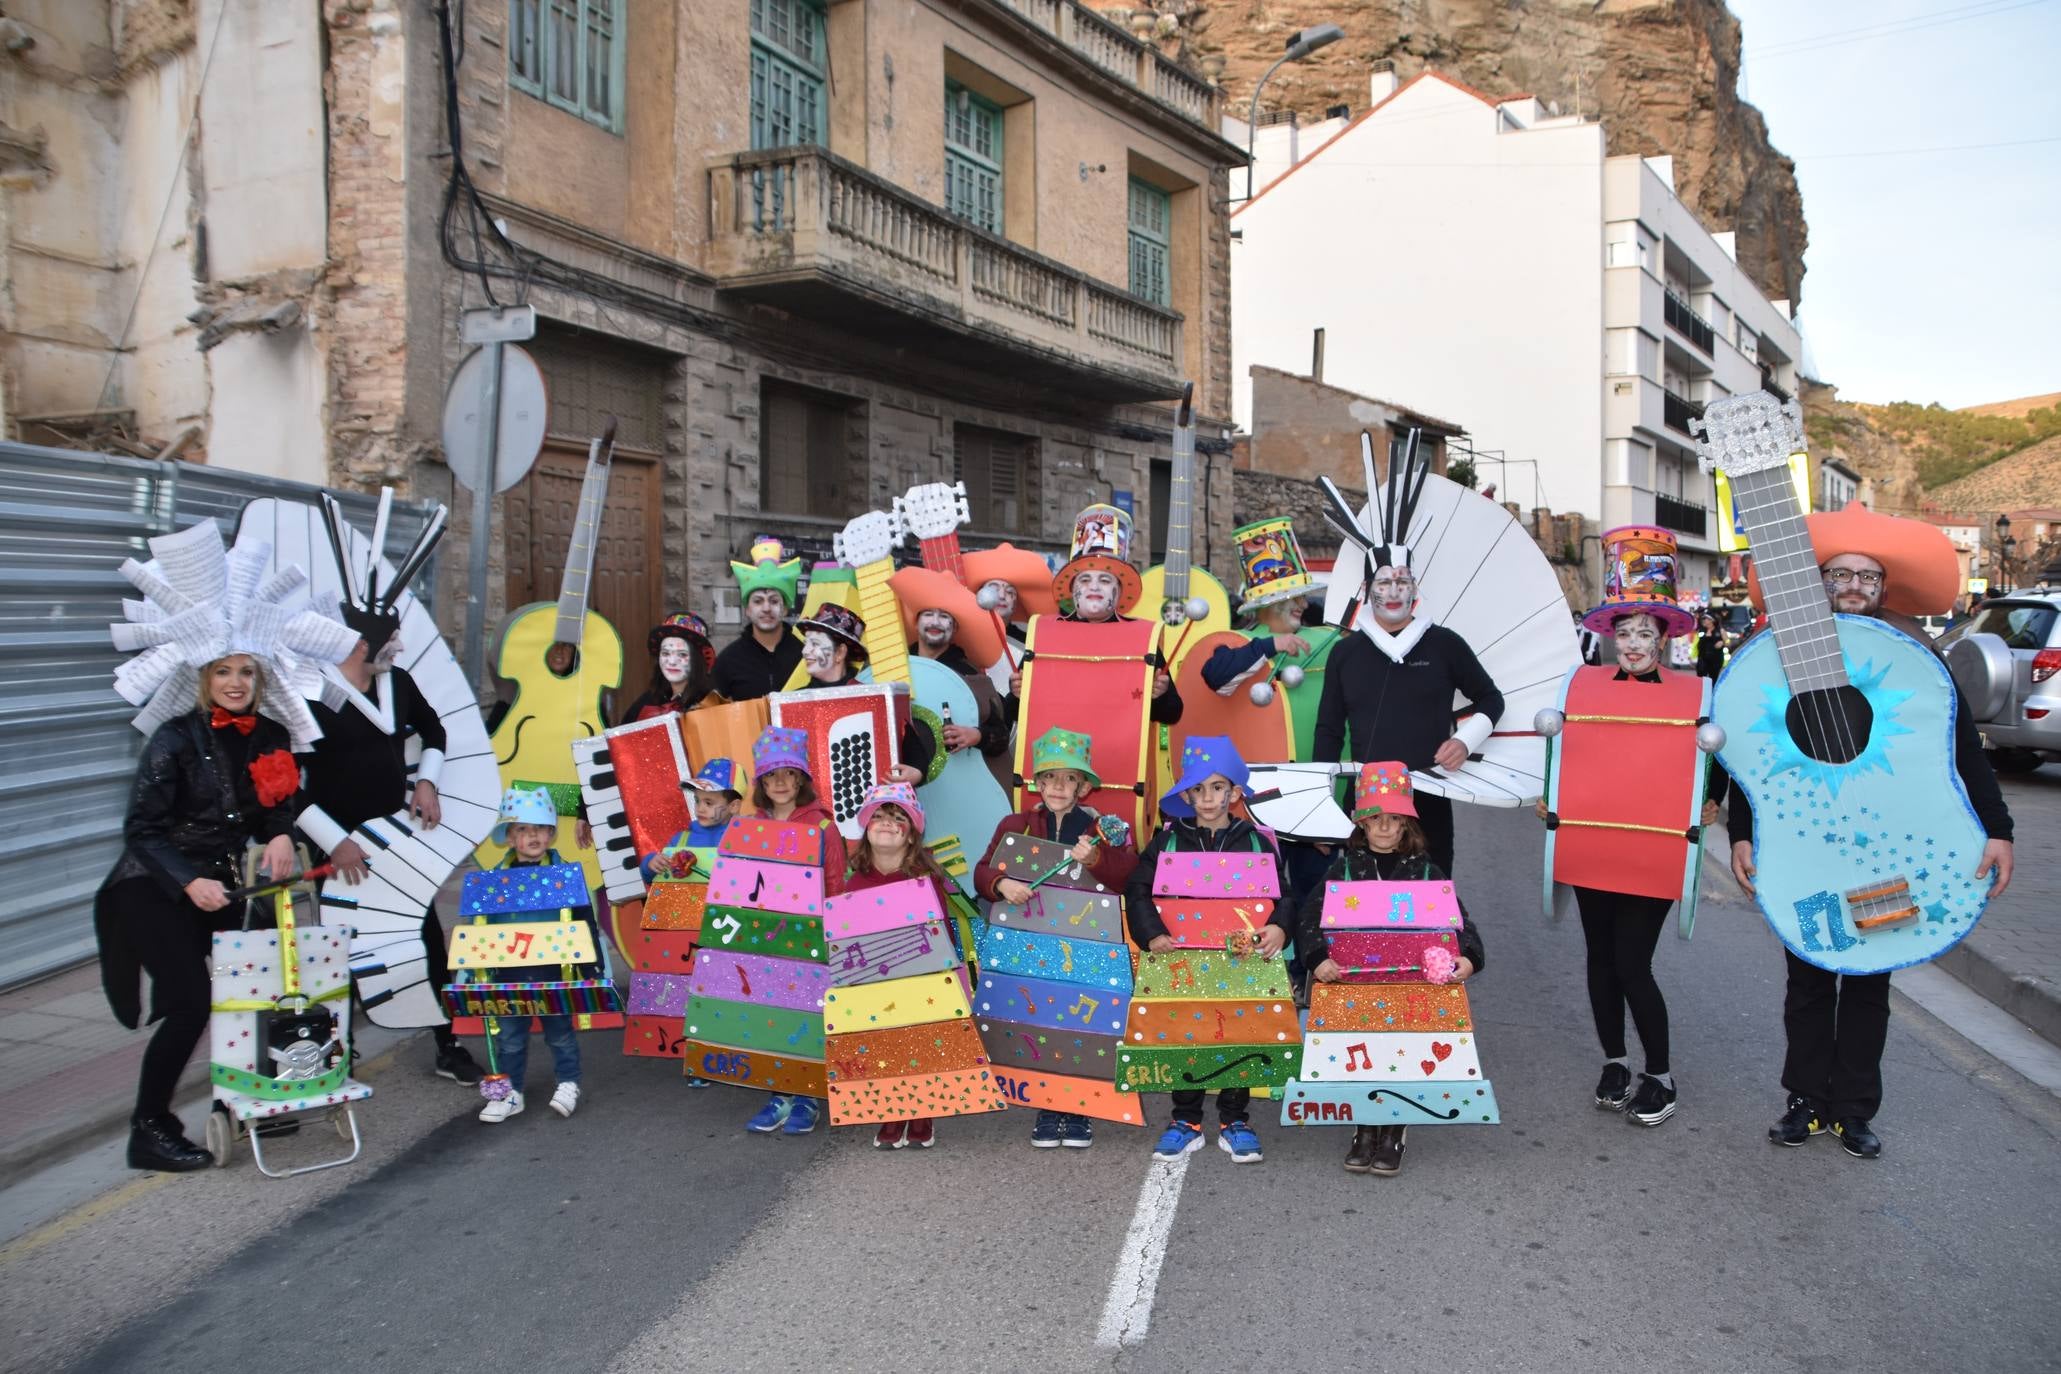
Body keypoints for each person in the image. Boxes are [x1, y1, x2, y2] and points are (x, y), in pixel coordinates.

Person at [1727, 505, 2015, 1160]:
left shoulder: (1917, 664)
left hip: (1885, 855)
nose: (1853, 585)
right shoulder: (1782, 662)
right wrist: (1740, 834)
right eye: (1839, 575)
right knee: (1806, 985)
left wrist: (1997, 830)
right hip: (1803, 851)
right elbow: (1750, 758)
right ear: (1819, 587)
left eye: (1866, 576)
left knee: (1867, 980)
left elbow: (1962, 753)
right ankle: (1802, 1102)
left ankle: (1853, 1110)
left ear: (1884, 590)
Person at [96, 518, 359, 1172]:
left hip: (222, 886)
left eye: (246, 670)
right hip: (151, 886)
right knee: (187, 1001)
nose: (236, 681)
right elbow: (142, 830)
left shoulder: (269, 735)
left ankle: (245, 1102)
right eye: (224, 671)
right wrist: (188, 881)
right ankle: (148, 1129)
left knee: (249, 992)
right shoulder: (174, 740)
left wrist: (276, 836)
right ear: (204, 676)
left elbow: (280, 804)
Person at [1536, 530, 1725, 1128]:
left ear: (1664, 639)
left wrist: (1712, 800)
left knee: (1631, 962)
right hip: (1594, 840)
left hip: (1653, 848)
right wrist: (1549, 800)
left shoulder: (1692, 696)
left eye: (1646, 632)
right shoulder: (1582, 689)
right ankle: (1615, 1061)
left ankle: (1660, 1074)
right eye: (1625, 632)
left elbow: (1716, 761)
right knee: (1599, 958)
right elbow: (1566, 758)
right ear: (1610, 638)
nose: (1634, 643)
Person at [295, 549, 484, 1087]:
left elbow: (437, 732)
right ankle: (338, 1056)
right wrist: (334, 844)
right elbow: (287, 786)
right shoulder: (311, 697)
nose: (399, 646)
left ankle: (447, 1045)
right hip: (338, 848)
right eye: (391, 638)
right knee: (341, 947)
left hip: (393, 839)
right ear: (360, 644)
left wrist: (425, 779)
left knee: (424, 937)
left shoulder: (396, 684)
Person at [1313, 457, 1503, 877]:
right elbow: (1327, 732)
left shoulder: (1444, 644)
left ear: (1415, 589)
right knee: (1361, 907)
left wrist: (1466, 740)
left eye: (1402, 582)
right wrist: (1323, 805)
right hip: (1366, 803)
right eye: (1384, 582)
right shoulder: (1345, 654)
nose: (1394, 591)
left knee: (1430, 904)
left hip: (1429, 799)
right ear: (1367, 591)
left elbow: (1491, 699)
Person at [1298, 762, 1483, 1176]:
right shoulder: (1342, 871)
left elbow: (1460, 922)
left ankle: (1394, 1129)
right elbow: (1309, 918)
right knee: (1364, 1056)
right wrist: (1316, 958)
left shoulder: (1425, 873)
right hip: (1356, 987)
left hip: (1408, 990)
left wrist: (1468, 958)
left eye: (1394, 820)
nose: (1384, 828)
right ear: (1361, 822)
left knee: (1402, 1054)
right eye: (1376, 818)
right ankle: (1364, 1129)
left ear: (1406, 825)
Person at [972, 727, 1140, 1149]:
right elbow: (981, 871)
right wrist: (1001, 883)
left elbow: (1128, 878)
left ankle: (1081, 1105)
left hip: (1088, 945)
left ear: (1084, 786)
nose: (1058, 787)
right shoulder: (1016, 824)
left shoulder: (1103, 828)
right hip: (1031, 943)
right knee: (1042, 1020)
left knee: (1082, 1020)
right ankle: (1050, 1103)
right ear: (1038, 783)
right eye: (1049, 777)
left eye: (1069, 778)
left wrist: (1098, 858)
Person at [1125, 735, 1286, 1165]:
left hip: (1242, 960)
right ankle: (1186, 1120)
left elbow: (1285, 895)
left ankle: (1235, 1120)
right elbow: (1137, 888)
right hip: (1183, 959)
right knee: (1186, 1031)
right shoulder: (1168, 841)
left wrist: (1279, 928)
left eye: (1218, 787)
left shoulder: (1256, 841)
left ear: (1234, 792)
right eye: (1199, 789)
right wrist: (1151, 933)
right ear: (1188, 794)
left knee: (1239, 1030)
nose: (1208, 797)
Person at [842, 782, 959, 1150]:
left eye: (897, 818)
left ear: (911, 836)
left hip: (918, 977)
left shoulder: (925, 881)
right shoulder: (855, 881)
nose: (886, 823)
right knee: (882, 1045)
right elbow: (845, 939)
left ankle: (920, 1109)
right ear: (865, 830)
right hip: (871, 983)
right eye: (877, 816)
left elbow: (938, 932)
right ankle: (891, 1109)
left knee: (918, 1043)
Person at [743, 726, 845, 1136]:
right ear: (761, 782)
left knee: (807, 1013)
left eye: (788, 773)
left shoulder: (822, 826)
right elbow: (741, 883)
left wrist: (832, 935)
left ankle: (805, 1096)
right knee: (771, 1014)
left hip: (810, 936)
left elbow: (836, 881)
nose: (780, 782)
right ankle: (777, 1091)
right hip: (766, 938)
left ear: (801, 778)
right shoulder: (751, 825)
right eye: (771, 775)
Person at [1009, 504, 1183, 726]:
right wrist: (1017, 694)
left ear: (1118, 593)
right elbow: (1012, 713)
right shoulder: (1045, 635)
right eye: (1084, 580)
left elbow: (1173, 713)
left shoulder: (1142, 639)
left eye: (1104, 580)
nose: (1094, 587)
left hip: (1119, 754)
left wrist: (1161, 695)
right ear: (1072, 591)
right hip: (1058, 756)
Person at [476, 786, 590, 1124]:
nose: (533, 836)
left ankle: (569, 1083)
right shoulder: (494, 881)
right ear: (510, 838)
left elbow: (583, 923)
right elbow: (480, 927)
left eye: (540, 828)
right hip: (509, 975)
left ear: (551, 834)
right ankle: (511, 1093)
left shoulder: (565, 875)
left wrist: (590, 968)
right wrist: (477, 972)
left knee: (560, 1033)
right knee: (509, 1039)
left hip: (554, 972)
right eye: (523, 829)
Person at [890, 565, 1012, 787]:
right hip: (895, 787)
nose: (935, 622)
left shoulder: (969, 674)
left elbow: (1001, 735)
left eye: (944, 617)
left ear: (954, 628)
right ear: (915, 623)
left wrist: (977, 735)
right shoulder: (892, 667)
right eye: (928, 614)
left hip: (956, 790)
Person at [791, 603, 933, 785]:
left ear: (840, 652)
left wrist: (916, 774)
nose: (805, 651)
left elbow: (917, 759)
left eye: (815, 644)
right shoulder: (793, 701)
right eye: (805, 644)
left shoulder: (877, 700)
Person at [961, 542, 1057, 713]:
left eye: (1010, 592)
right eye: (994, 588)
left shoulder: (1030, 643)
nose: (1002, 596)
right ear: (979, 595)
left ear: (1015, 604)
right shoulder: (961, 637)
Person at [712, 538, 803, 701]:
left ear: (786, 608)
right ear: (747, 609)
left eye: (774, 601)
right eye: (758, 601)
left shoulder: (804, 654)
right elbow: (710, 709)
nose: (766, 608)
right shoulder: (729, 659)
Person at [641, 759, 742, 883]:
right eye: (697, 800)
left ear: (733, 806)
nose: (700, 808)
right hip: (684, 901)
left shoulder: (743, 838)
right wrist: (650, 864)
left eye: (709, 803)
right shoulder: (681, 840)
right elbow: (654, 879)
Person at [624, 612, 717, 722]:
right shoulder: (648, 700)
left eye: (682, 654)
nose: (672, 662)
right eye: (665, 653)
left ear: (696, 660)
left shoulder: (710, 704)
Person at [1694, 611, 1727, 682]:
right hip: (1703, 659)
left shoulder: (1720, 630)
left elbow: (1728, 642)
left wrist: (1723, 643)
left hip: (1716, 659)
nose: (1704, 620)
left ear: (1712, 620)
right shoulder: (1701, 631)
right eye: (1703, 619)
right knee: (1701, 679)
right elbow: (1696, 643)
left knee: (1714, 679)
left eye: (1706, 619)